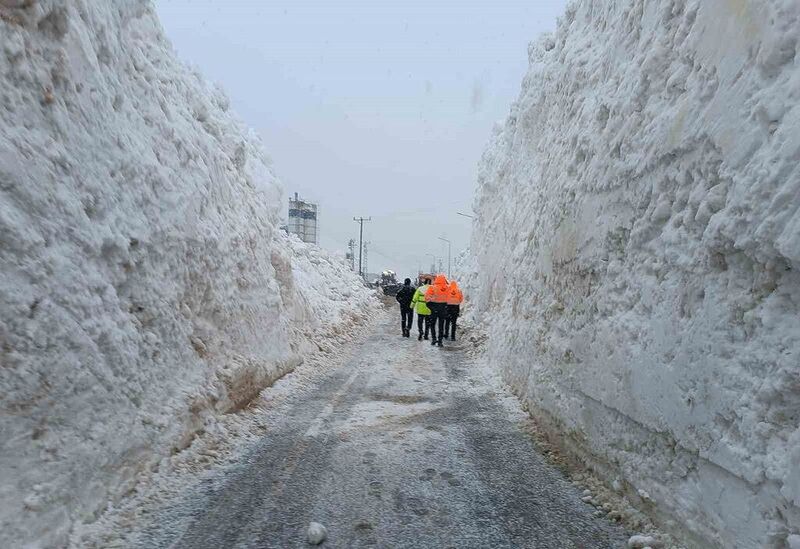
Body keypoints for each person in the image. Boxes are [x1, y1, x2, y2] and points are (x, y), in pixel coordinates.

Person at [424, 274, 449, 347]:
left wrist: (431, 306)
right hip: (443, 308)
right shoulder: (448, 288)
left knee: (432, 324)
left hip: (434, 307)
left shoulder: (432, 287)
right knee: (441, 325)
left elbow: (427, 298)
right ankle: (440, 341)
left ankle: (434, 339)